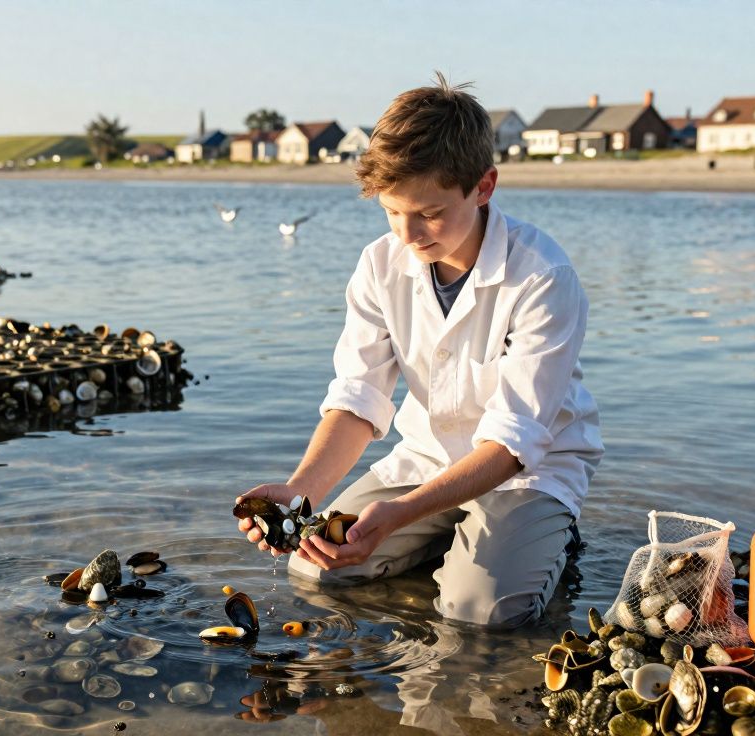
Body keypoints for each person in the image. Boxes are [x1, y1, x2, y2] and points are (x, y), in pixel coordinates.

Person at [235, 74, 603, 628]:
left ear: (484, 187)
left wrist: (402, 514)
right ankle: (446, 538)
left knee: (478, 612)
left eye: (429, 212)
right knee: (318, 569)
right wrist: (301, 491)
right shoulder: (379, 265)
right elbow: (358, 398)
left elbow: (511, 444)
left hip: (529, 470)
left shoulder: (543, 277)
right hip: (428, 457)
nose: (407, 235)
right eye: (390, 211)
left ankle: (546, 539)